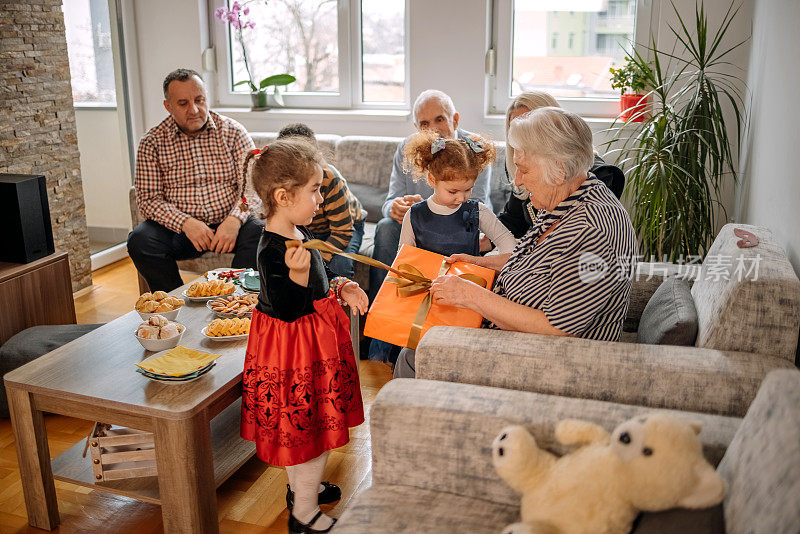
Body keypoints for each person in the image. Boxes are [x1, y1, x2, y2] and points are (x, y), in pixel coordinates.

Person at [394, 107, 638, 379]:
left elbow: (557, 328)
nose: (517, 181)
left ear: (558, 169)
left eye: (523, 169)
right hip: (508, 331)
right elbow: (536, 262)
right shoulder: (568, 199)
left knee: (416, 353)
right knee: (414, 341)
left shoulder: (592, 229)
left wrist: (472, 296)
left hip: (537, 358)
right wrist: (479, 262)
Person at [239, 136, 368, 534]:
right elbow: (289, 308)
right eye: (314, 191)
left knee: (308, 430)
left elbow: (318, 282)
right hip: (296, 355)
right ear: (283, 195)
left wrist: (341, 286)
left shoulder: (298, 235)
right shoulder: (272, 250)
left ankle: (303, 491)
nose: (320, 199)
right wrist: (296, 277)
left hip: (311, 349)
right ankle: (304, 515)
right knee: (309, 431)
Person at [367, 89, 493, 363]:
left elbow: (479, 207)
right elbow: (389, 201)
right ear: (416, 128)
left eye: (440, 119)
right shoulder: (407, 148)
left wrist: (428, 210)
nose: (433, 130)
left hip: (458, 228)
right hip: (416, 231)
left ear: (455, 120)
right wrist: (398, 207)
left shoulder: (474, 148)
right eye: (424, 124)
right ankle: (380, 347)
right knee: (386, 227)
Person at [127, 68, 262, 292]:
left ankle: (236, 298)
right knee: (140, 240)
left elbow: (253, 188)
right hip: (180, 231)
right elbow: (148, 200)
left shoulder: (234, 132)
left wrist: (235, 220)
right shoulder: (152, 142)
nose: (194, 109)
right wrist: (185, 223)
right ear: (168, 106)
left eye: (199, 99)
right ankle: (177, 302)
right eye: (183, 103)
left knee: (263, 231)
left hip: (229, 226)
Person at [495, 91, 626, 239]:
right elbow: (513, 221)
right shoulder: (522, 168)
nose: (518, 180)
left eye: (529, 128)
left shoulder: (599, 177)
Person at [398, 129, 515, 256]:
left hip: (467, 276)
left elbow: (507, 242)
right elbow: (404, 258)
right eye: (453, 191)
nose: (461, 198)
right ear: (432, 179)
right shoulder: (414, 215)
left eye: (468, 190)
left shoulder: (478, 211)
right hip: (427, 277)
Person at [276, 123, 365, 279]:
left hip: (343, 227)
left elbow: (343, 231)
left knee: (339, 267)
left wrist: (318, 260)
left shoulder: (330, 179)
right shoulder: (279, 183)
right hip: (309, 230)